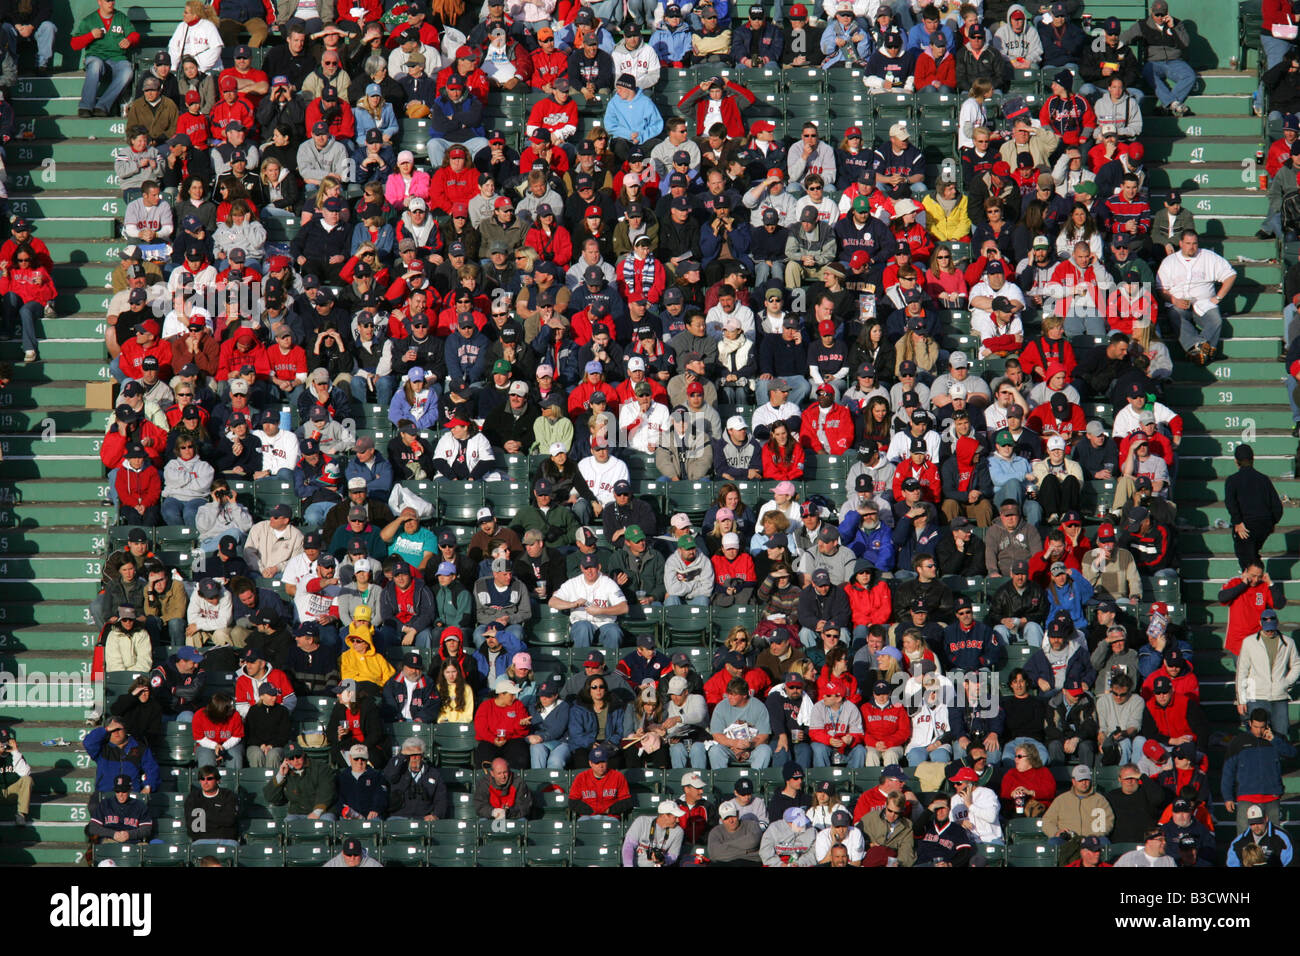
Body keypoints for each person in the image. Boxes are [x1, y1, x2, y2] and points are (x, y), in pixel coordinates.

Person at [1154, 229, 1235, 364]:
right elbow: (1160, 288)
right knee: (1175, 315)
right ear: (1180, 243)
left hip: (1204, 302)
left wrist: (1218, 298)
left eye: (1194, 243)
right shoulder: (1169, 261)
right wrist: (1174, 300)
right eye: (1188, 243)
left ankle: (1197, 350)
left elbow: (1231, 275)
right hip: (1178, 302)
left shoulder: (1209, 257)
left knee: (1216, 320)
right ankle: (1205, 349)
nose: (1192, 247)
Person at [1221, 707, 1297, 830]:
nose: (1259, 731)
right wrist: (1227, 797)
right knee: (1244, 838)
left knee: (1274, 837)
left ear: (1267, 725)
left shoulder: (1276, 738)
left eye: (1262, 727)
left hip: (1271, 795)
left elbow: (1291, 753)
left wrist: (1274, 740)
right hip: (1246, 796)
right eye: (1256, 727)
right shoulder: (1238, 741)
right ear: (1250, 723)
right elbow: (1228, 770)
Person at [73, 0, 139, 118]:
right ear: (99, 2)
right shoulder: (89, 20)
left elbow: (135, 35)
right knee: (95, 65)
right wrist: (91, 35)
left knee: (127, 71)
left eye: (112, 0)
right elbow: (74, 44)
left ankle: (102, 106)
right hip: (96, 57)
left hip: (117, 58)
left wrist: (129, 40)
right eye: (107, 1)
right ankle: (85, 106)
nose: (111, 3)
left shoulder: (121, 18)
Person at [1224, 444, 1284, 570]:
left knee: (1247, 562)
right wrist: (1271, 522)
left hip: (1246, 525)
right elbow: (1277, 506)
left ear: (1236, 461)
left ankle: (1256, 586)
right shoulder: (1264, 479)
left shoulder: (1232, 480)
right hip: (1264, 524)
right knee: (1253, 556)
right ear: (1253, 459)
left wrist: (1238, 522)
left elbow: (1231, 503)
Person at [83, 717, 160, 795]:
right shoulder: (102, 748)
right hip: (106, 793)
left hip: (131, 794)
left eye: (118, 729)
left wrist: (148, 786)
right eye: (112, 730)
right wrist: (105, 729)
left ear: (125, 729)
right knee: (94, 806)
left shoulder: (139, 748)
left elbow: (152, 769)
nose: (116, 733)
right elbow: (88, 743)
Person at [262, 742, 337, 821]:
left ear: (303, 754)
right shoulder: (286, 773)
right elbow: (270, 797)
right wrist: (280, 775)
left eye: (298, 756)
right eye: (291, 758)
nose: (295, 760)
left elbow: (326, 791)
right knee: (288, 825)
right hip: (297, 813)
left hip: (323, 811)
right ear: (286, 760)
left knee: (326, 822)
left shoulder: (320, 768)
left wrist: (317, 812)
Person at [708, 678, 773, 770]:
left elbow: (764, 735)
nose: (729, 697)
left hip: (751, 749)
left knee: (765, 750)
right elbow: (716, 735)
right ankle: (721, 780)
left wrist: (749, 746)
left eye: (734, 695)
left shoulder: (758, 706)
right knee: (715, 751)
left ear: (744, 695)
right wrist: (735, 743)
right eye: (728, 693)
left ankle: (756, 781)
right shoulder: (721, 707)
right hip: (729, 749)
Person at [86, 774, 153, 847]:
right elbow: (93, 827)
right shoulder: (105, 804)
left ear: (130, 790)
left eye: (124, 791)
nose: (120, 794)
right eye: (117, 791)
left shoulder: (140, 806)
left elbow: (146, 829)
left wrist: (129, 835)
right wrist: (113, 834)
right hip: (109, 841)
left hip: (133, 843)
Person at [183, 766, 240, 847]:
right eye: (202, 779)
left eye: (209, 779)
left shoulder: (228, 795)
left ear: (217, 780)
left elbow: (229, 820)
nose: (205, 782)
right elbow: (193, 826)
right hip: (201, 840)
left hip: (226, 840)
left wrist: (203, 816)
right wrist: (218, 817)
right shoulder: (193, 798)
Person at [621, 800, 687, 867]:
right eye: (675, 817)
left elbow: (673, 855)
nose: (678, 820)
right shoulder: (641, 822)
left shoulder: (678, 831)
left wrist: (663, 860)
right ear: (664, 815)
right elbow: (628, 846)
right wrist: (628, 865)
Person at [1227, 803, 1294, 867]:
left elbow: (1288, 862)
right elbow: (1232, 864)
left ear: (1266, 819)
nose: (1256, 826)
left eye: (1259, 822)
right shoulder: (1238, 842)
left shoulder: (1281, 838)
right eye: (1252, 823)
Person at [472, 756, 535, 821]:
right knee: (483, 822)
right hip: (491, 817)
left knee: (522, 821)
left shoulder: (518, 782)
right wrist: (493, 811)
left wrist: (509, 811)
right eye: (499, 773)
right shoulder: (484, 784)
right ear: (492, 773)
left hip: (512, 817)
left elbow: (524, 806)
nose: (503, 776)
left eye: (505, 772)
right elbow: (479, 805)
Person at [0, 728, 32, 826]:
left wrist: (15, 752)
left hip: (13, 792)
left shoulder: (15, 755)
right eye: (1, 742)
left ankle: (21, 815)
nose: (4, 745)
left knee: (27, 779)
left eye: (5, 741)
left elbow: (25, 773)